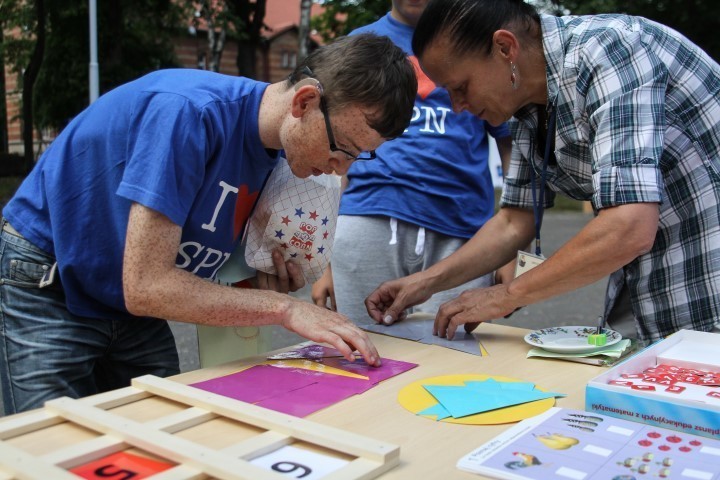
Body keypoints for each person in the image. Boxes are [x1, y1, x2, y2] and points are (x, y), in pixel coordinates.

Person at [0, 33, 417, 415]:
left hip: (127, 305)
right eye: (342, 148)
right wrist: (285, 308)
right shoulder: (188, 115)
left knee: (162, 435)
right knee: (50, 449)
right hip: (51, 284)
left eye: (359, 155)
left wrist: (257, 279)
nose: (338, 168)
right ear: (304, 102)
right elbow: (148, 284)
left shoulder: (283, 153)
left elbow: (196, 264)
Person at [366, 0, 720, 344]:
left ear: (505, 48)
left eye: (460, 88)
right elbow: (513, 223)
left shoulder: (611, 48)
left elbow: (629, 224)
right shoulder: (525, 103)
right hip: (656, 283)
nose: (458, 107)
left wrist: (507, 294)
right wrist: (425, 283)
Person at [311, 0, 513, 325]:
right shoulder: (358, 44)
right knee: (363, 356)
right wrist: (322, 260)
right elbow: (331, 150)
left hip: (463, 233)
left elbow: (510, 142)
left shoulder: (475, 44)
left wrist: (511, 245)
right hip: (367, 218)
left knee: (457, 362)